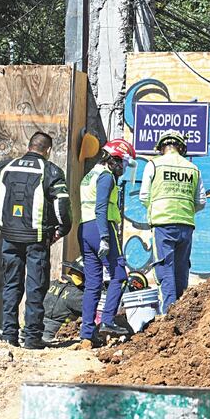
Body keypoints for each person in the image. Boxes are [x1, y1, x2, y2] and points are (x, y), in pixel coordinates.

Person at [0, 132, 72, 349]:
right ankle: (31, 337)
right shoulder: (50, 171)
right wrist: (61, 229)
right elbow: (62, 204)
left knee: (11, 285)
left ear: (29, 146)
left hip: (9, 236)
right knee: (36, 286)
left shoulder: (4, 167)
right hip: (37, 238)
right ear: (47, 150)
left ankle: (10, 336)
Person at [139, 130, 206, 313]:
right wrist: (186, 210)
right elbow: (201, 201)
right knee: (182, 268)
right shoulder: (192, 168)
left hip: (162, 224)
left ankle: (169, 313)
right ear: (181, 148)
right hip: (186, 224)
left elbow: (144, 196)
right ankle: (182, 310)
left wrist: (156, 209)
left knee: (164, 268)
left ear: (162, 147)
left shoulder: (154, 165)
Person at [79, 138, 136, 348]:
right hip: (101, 228)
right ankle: (108, 321)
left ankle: (86, 333)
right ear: (113, 160)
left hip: (85, 228)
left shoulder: (89, 175)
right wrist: (104, 236)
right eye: (121, 163)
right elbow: (101, 207)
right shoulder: (106, 177)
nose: (122, 168)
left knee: (93, 283)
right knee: (119, 276)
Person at [42, 259, 85, 346]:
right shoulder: (77, 294)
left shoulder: (51, 284)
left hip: (30, 330)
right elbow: (91, 313)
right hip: (51, 335)